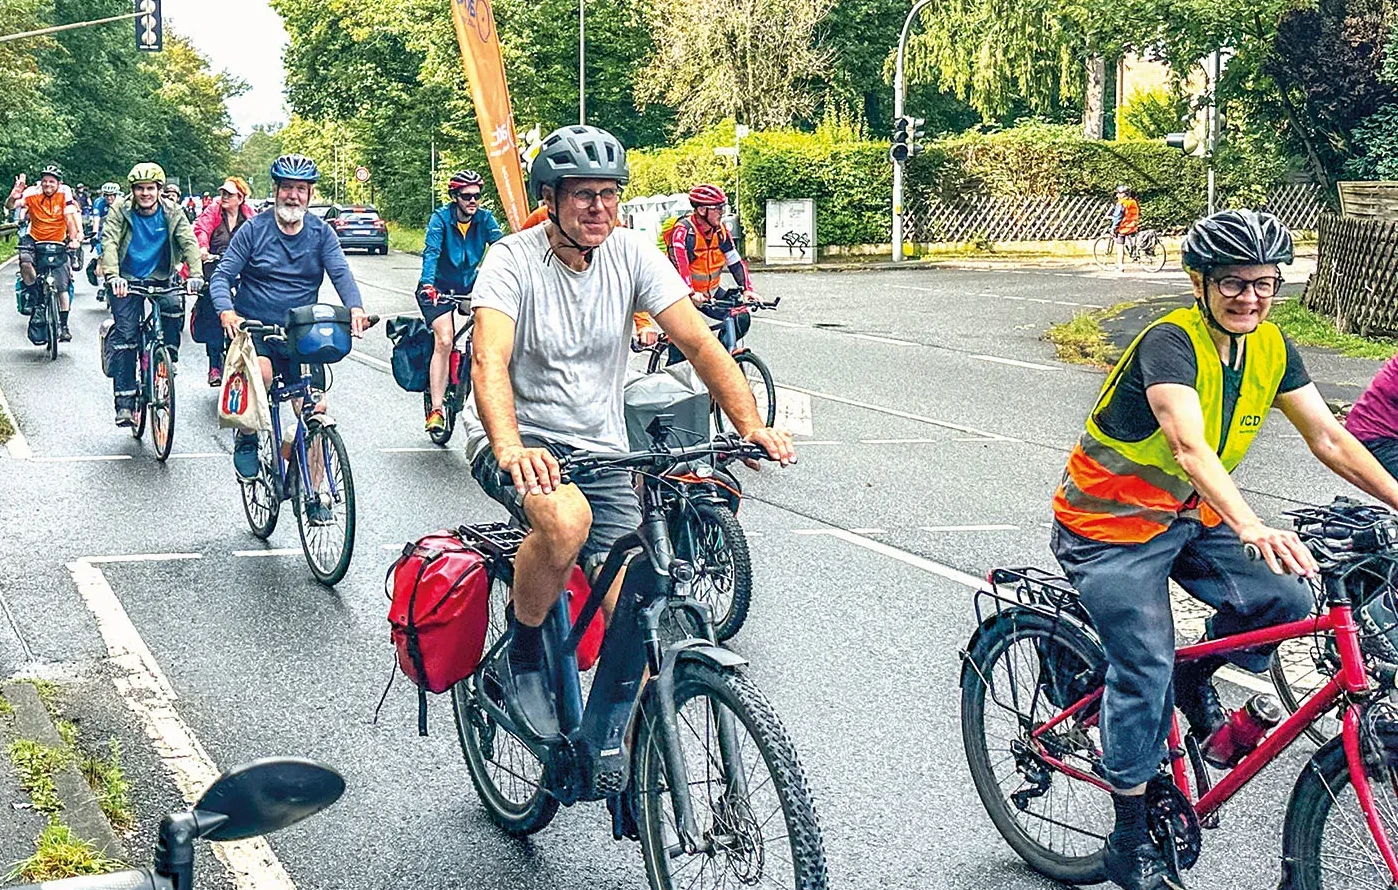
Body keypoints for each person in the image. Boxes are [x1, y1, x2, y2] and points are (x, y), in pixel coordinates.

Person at [1049, 208, 1398, 890]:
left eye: (1264, 282)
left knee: (1287, 597)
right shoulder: (1170, 342)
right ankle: (1128, 836)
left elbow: (1329, 439)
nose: (1250, 297)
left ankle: (1194, 679)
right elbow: (1188, 444)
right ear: (1201, 282)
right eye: (1233, 283)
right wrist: (1249, 524)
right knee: (1143, 664)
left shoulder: (1270, 346)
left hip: (1189, 514)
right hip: (1110, 526)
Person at [466, 125, 796, 740]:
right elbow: (489, 358)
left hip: (602, 449)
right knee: (565, 523)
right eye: (583, 194)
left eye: (609, 193)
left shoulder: (631, 253)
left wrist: (750, 423)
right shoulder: (512, 259)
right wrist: (511, 446)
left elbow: (697, 340)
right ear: (551, 198)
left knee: (642, 621)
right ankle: (525, 652)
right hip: (518, 439)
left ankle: (633, 769)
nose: (599, 208)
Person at [210, 153, 368, 503]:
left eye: (301, 189)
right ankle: (248, 436)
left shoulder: (321, 233)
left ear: (310, 194)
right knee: (262, 376)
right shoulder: (254, 230)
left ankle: (312, 492)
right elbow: (222, 276)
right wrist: (227, 312)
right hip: (256, 331)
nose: (293, 196)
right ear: (276, 190)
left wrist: (355, 308)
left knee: (315, 408)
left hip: (302, 334)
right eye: (287, 188)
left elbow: (340, 273)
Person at [99, 163, 203, 427]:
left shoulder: (173, 212)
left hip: (160, 275)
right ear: (133, 191)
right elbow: (109, 242)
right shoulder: (120, 210)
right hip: (126, 278)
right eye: (140, 189)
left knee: (172, 308)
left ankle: (167, 358)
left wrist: (195, 275)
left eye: (150, 188)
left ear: (159, 190)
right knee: (126, 334)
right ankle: (124, 401)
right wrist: (113, 277)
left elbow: (188, 241)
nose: (145, 194)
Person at [416, 170, 504, 434]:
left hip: (468, 284)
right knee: (444, 339)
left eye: (477, 196)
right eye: (467, 197)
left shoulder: (485, 219)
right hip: (438, 287)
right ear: (455, 197)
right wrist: (428, 285)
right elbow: (431, 253)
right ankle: (436, 409)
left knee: (488, 332)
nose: (473, 201)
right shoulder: (440, 219)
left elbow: (502, 249)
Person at [5, 165, 82, 342]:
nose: (48, 185)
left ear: (59, 183)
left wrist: (74, 239)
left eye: (52, 181)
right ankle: (33, 294)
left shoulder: (65, 192)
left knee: (62, 285)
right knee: (25, 262)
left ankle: (64, 325)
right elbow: (9, 206)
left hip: (57, 239)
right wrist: (14, 195)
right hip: (35, 238)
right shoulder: (32, 192)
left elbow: (70, 218)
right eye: (45, 181)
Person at [193, 177, 254, 387]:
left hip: (242, 273)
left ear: (241, 198)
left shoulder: (249, 217)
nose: (224, 197)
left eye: (229, 194)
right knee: (212, 311)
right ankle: (214, 365)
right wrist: (202, 249)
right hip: (215, 270)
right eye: (223, 193)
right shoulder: (213, 211)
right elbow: (202, 229)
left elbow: (260, 237)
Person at [1111, 185, 1141, 272]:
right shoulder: (1133, 202)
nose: (1117, 195)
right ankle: (1134, 254)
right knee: (1133, 241)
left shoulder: (1121, 203)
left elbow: (1118, 217)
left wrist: (1113, 228)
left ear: (1123, 194)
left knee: (1120, 246)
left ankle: (1120, 266)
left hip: (1123, 227)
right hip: (1133, 226)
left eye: (1118, 193)